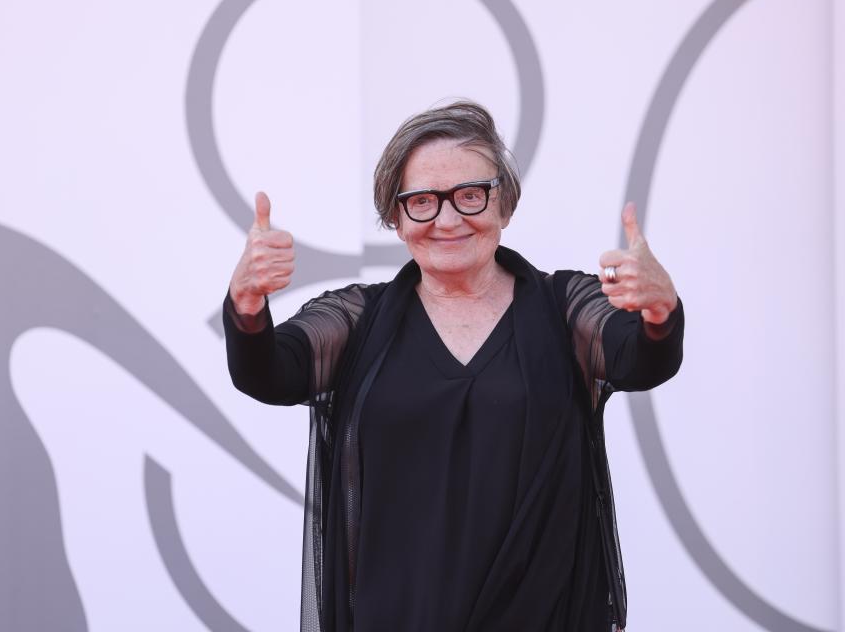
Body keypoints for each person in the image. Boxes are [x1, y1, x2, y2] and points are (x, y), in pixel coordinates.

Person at [224, 101, 683, 632]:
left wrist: (659, 309)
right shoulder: (356, 319)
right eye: (421, 201)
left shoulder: (565, 307)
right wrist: (247, 302)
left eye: (470, 195)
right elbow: (270, 373)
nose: (447, 219)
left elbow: (640, 359)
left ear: (504, 205)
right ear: (395, 219)